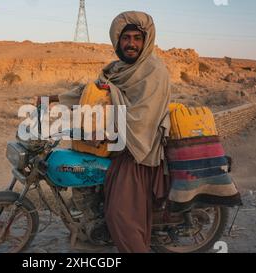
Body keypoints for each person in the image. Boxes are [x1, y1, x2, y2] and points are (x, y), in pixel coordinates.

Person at [39, 11, 172, 253]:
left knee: (120, 214)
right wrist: (52, 99)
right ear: (117, 40)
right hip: (118, 142)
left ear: (146, 40)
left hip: (139, 150)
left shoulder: (154, 70)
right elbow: (90, 91)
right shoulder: (116, 68)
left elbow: (142, 119)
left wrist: (107, 133)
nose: (131, 44)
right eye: (125, 38)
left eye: (137, 38)